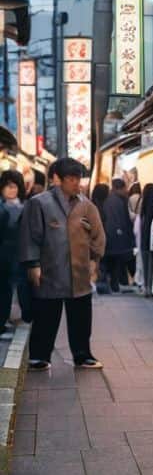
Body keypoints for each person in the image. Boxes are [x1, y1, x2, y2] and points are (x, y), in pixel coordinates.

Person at [18, 158, 106, 371]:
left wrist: (95, 260)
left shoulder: (86, 205)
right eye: (71, 178)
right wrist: (33, 264)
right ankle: (39, 356)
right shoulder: (39, 203)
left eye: (78, 178)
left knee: (81, 318)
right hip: (50, 269)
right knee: (46, 315)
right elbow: (30, 236)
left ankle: (82, 355)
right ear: (57, 179)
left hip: (80, 271)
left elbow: (98, 235)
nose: (76, 183)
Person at [0, 170, 32, 332]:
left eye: (14, 186)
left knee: (22, 285)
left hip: (21, 253)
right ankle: (4, 319)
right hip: (5, 253)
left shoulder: (26, 207)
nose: (11, 190)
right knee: (5, 288)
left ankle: (25, 315)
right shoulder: (2, 207)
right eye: (7, 186)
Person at [102, 178, 135, 293]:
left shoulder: (110, 200)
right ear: (118, 188)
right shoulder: (117, 201)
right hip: (116, 236)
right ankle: (114, 285)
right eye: (124, 188)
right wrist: (121, 232)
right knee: (115, 262)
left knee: (114, 263)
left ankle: (113, 285)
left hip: (112, 236)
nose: (126, 191)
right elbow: (119, 219)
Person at [139, 183, 153, 298]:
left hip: (144, 239)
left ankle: (147, 287)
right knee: (152, 264)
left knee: (146, 264)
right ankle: (150, 288)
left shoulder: (144, 207)